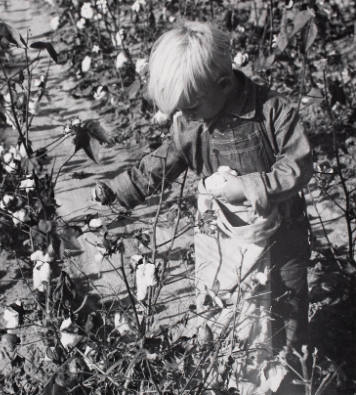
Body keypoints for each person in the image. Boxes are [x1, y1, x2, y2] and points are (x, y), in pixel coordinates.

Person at [93, 21, 313, 394]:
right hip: (224, 241)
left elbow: (298, 165)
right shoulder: (192, 121)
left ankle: (291, 381)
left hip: (281, 236)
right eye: (180, 110)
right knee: (228, 312)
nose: (187, 117)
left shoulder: (273, 112)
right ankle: (237, 380)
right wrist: (119, 189)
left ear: (224, 85)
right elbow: (163, 161)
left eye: (191, 107)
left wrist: (248, 187)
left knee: (286, 314)